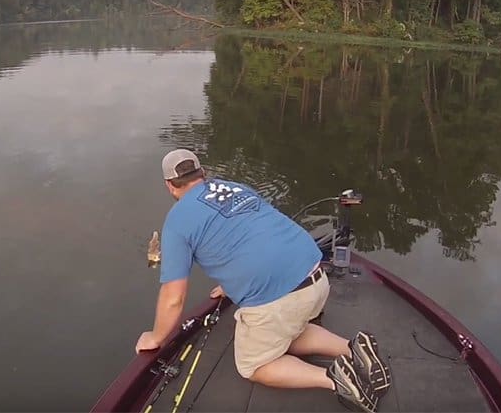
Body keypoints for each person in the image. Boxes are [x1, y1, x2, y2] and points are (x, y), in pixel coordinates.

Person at [135, 149, 390, 412]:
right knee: (286, 328)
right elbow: (252, 234)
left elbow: (174, 298)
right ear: (203, 173)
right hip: (315, 274)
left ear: (170, 186)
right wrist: (231, 281)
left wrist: (156, 337)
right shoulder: (235, 188)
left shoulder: (177, 221)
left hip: (281, 298)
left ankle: (334, 379)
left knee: (253, 366)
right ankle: (352, 348)